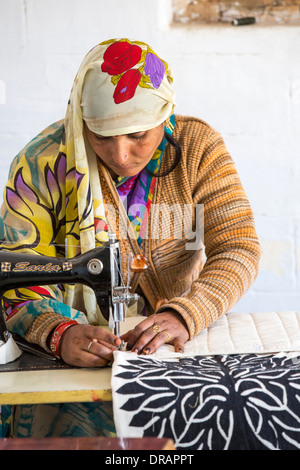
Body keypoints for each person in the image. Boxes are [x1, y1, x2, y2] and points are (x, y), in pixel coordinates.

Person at [0, 38, 260, 437]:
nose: (120, 155)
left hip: (172, 356)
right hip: (73, 364)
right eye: (101, 136)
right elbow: (15, 269)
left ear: (165, 114)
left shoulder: (198, 149)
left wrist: (185, 314)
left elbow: (238, 246)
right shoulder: (41, 166)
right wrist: (59, 331)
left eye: (137, 134)